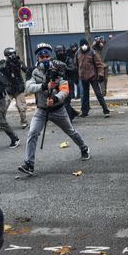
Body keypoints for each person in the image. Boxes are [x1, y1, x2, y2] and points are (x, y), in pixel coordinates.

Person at [18, 43, 90, 175]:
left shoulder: (59, 68)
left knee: (70, 131)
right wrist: (45, 86)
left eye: (47, 56)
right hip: (41, 110)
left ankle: (84, 148)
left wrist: (56, 98)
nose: (44, 58)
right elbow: (29, 87)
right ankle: (29, 164)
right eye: (41, 56)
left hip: (58, 109)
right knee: (32, 133)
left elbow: (65, 89)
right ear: (37, 58)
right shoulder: (32, 71)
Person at [76, 38, 110, 118]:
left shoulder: (92, 52)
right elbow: (76, 64)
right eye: (82, 45)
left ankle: (106, 110)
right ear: (80, 46)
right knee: (85, 95)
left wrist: (100, 74)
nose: (84, 47)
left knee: (98, 93)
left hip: (93, 76)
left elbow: (99, 64)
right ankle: (85, 112)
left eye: (85, 45)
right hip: (83, 77)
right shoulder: (77, 53)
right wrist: (77, 74)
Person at [0, 47, 29, 129]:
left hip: (18, 88)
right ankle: (1, 123)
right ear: (7, 56)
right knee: (3, 107)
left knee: (21, 107)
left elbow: (26, 70)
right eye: (11, 55)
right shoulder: (2, 62)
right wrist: (7, 63)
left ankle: (24, 122)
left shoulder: (18, 61)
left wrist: (19, 64)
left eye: (14, 54)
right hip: (8, 89)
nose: (13, 56)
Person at [55, 45, 80, 122]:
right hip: (58, 83)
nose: (59, 53)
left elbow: (73, 69)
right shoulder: (55, 60)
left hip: (68, 82)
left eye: (61, 51)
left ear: (64, 51)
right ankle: (73, 113)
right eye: (58, 52)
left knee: (66, 101)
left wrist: (65, 68)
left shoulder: (68, 59)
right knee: (60, 102)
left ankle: (68, 119)